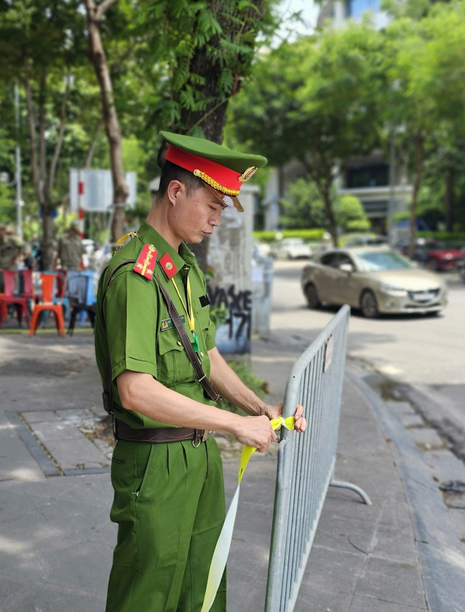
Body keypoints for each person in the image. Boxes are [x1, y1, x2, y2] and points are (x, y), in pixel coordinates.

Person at [94, 131, 307, 612]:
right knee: (148, 594)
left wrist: (261, 408)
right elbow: (135, 391)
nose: (217, 219)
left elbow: (205, 357)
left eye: (223, 209)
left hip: (199, 454)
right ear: (175, 193)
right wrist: (234, 424)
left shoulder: (184, 267)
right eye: (212, 204)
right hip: (155, 463)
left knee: (203, 588)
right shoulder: (136, 275)